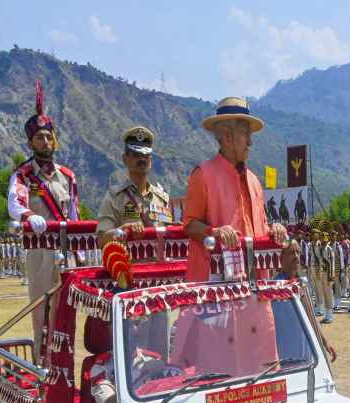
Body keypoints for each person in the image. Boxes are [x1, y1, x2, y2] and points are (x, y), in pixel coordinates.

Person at [7, 81, 81, 359]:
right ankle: (43, 372)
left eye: (49, 137)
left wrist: (80, 251)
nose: (46, 143)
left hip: (65, 252)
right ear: (30, 142)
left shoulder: (68, 176)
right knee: (41, 313)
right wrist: (29, 215)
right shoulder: (23, 175)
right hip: (39, 252)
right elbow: (15, 203)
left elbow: (74, 214)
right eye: (40, 138)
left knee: (66, 315)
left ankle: (64, 368)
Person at [182, 97, 287, 282]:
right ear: (226, 135)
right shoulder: (203, 175)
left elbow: (260, 227)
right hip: (217, 285)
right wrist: (216, 232)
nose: (250, 142)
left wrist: (274, 229)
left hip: (256, 283)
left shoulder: (254, 181)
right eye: (246, 134)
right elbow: (189, 225)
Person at [97, 126, 174, 247]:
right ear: (125, 159)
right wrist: (124, 229)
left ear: (151, 160)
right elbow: (101, 240)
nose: (142, 159)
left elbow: (168, 236)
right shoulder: (114, 197)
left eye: (146, 155)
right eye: (136, 154)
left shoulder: (162, 198)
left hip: (158, 264)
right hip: (127, 264)